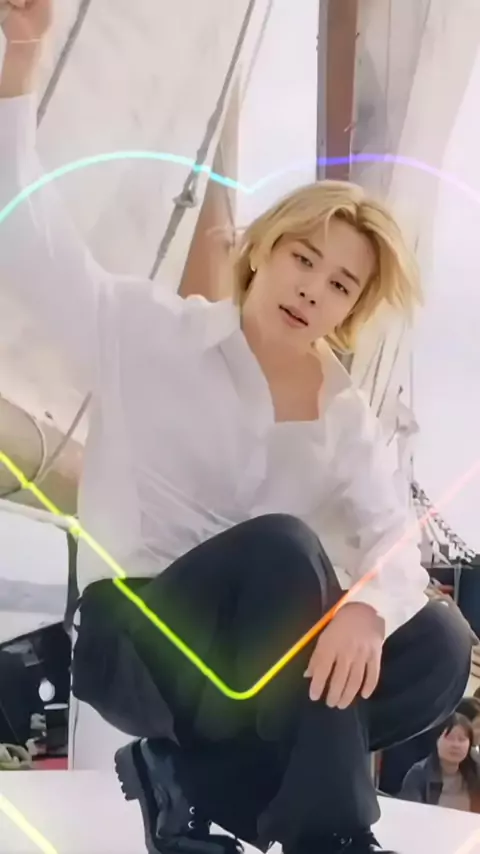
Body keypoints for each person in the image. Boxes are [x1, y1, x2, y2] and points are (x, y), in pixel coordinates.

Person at [0, 2, 473, 853]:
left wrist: (370, 610)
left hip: (250, 683)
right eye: (303, 258)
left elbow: (393, 547)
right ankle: (329, 834)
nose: (312, 290)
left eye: (340, 285)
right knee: (284, 551)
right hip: (138, 641)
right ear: (263, 250)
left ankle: (191, 783)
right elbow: (25, 239)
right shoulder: (144, 331)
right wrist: (22, 68)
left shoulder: (344, 417)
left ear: (351, 309)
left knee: (437, 642)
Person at [399, 714, 480, 812]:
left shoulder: (476, 771)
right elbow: (410, 814)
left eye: (462, 739)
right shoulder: (419, 774)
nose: (456, 745)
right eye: (449, 738)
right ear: (436, 740)